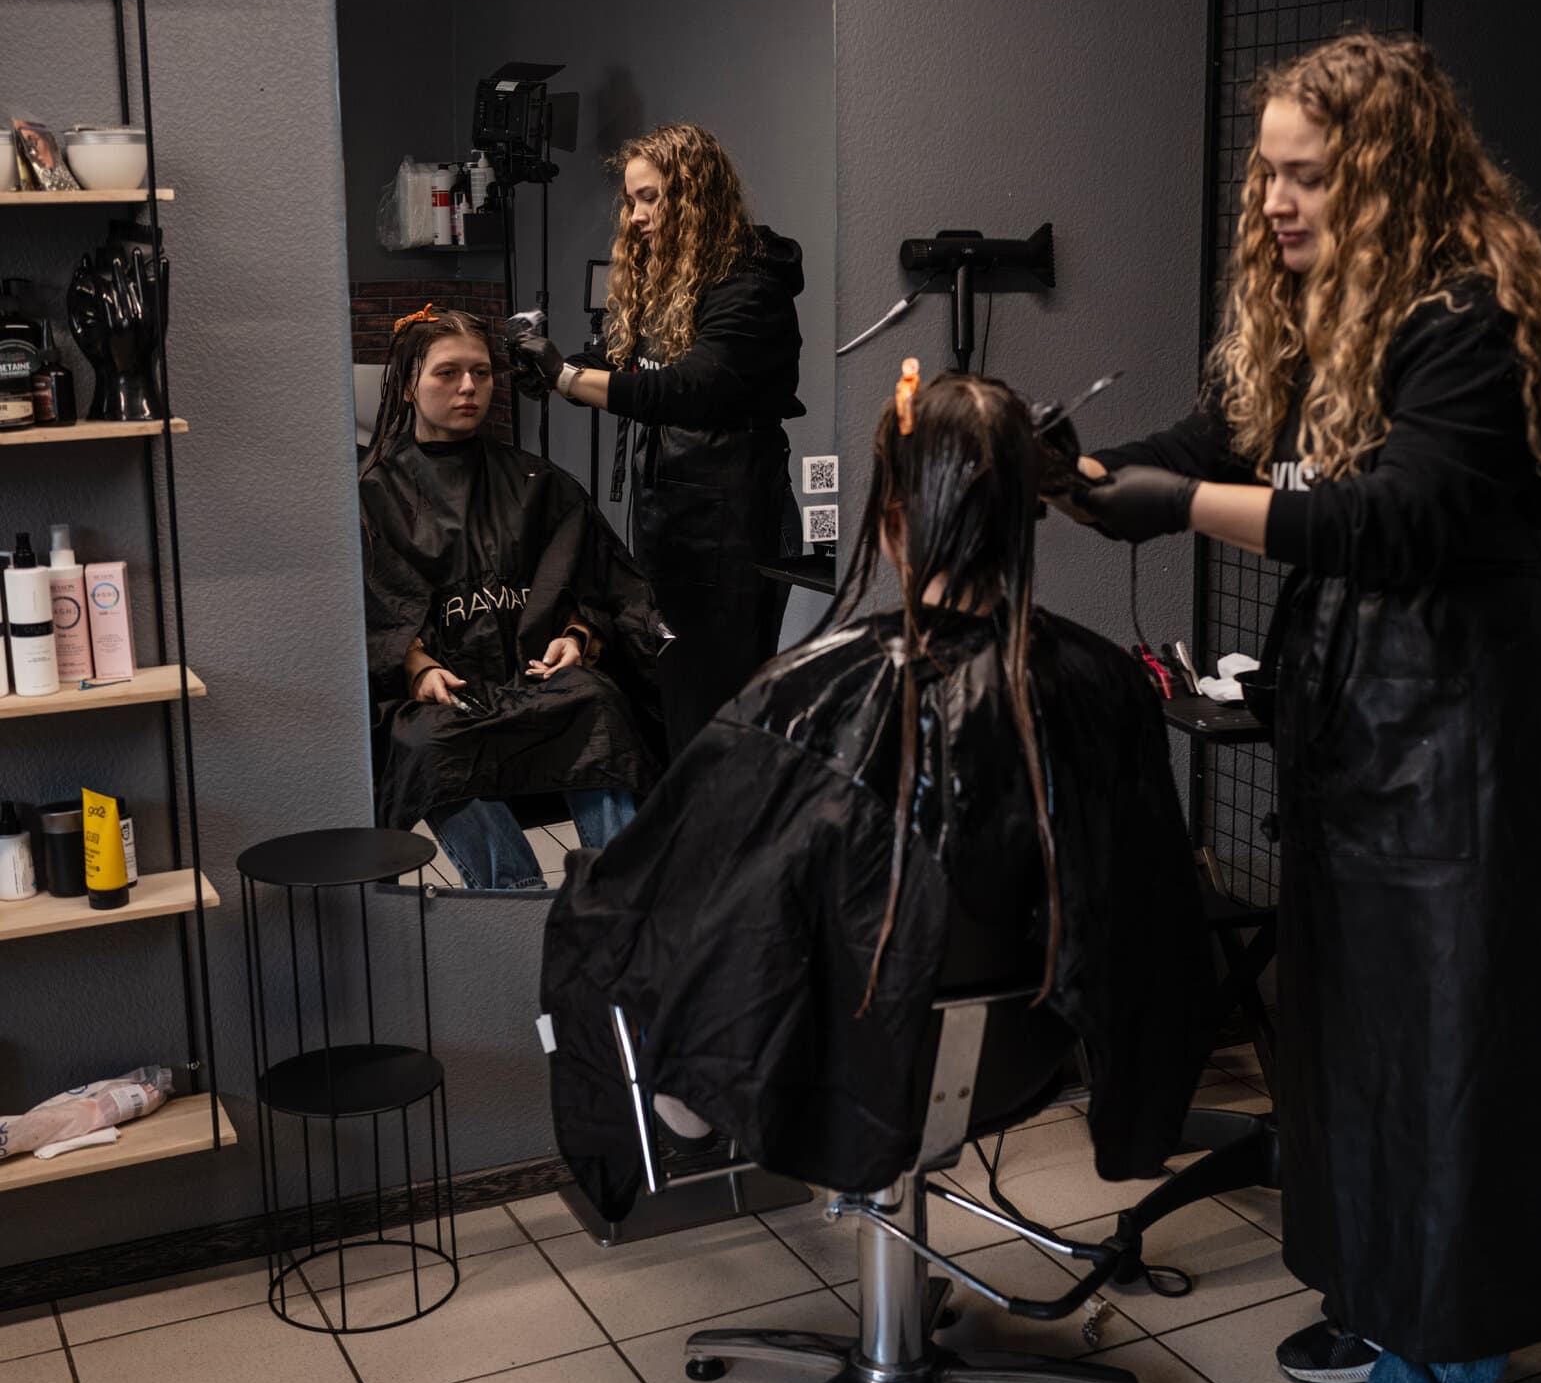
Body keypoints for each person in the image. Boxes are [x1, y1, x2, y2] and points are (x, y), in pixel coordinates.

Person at [1070, 32, 1541, 1383]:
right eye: (1271, 168)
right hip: (1359, 728)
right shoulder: (1332, 313)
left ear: (1387, 168)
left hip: (1460, 737)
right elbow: (1232, 435)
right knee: (1350, 1046)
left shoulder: (1466, 315)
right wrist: (1093, 476)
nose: (1279, 197)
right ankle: (1386, 1303)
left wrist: (1188, 506)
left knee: (1444, 1062)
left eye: (1310, 171)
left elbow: (1403, 518)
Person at [540, 368, 1217, 1221]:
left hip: (847, 1051)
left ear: (891, 526)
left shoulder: (807, 690)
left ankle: (689, 1124)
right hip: (1028, 1052)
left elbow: (694, 886)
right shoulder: (1108, 680)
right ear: (1026, 520)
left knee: (603, 921)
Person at [509, 123, 804, 754]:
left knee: (719, 703)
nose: (638, 215)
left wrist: (567, 377)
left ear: (696, 196)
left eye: (652, 198)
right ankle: (681, 834)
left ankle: (724, 840)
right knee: (670, 688)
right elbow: (629, 361)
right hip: (674, 515)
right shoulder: (675, 285)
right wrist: (554, 371)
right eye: (631, 201)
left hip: (733, 523)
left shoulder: (749, 288)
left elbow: (685, 387)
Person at [358, 305, 667, 889]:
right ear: (406, 386)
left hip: (533, 678)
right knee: (425, 744)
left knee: (597, 703)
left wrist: (577, 637)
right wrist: (416, 664)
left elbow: (595, 581)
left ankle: (623, 890)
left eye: (481, 372)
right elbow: (368, 611)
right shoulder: (375, 496)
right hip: (444, 696)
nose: (469, 386)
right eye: (447, 373)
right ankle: (514, 899)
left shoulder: (536, 482)